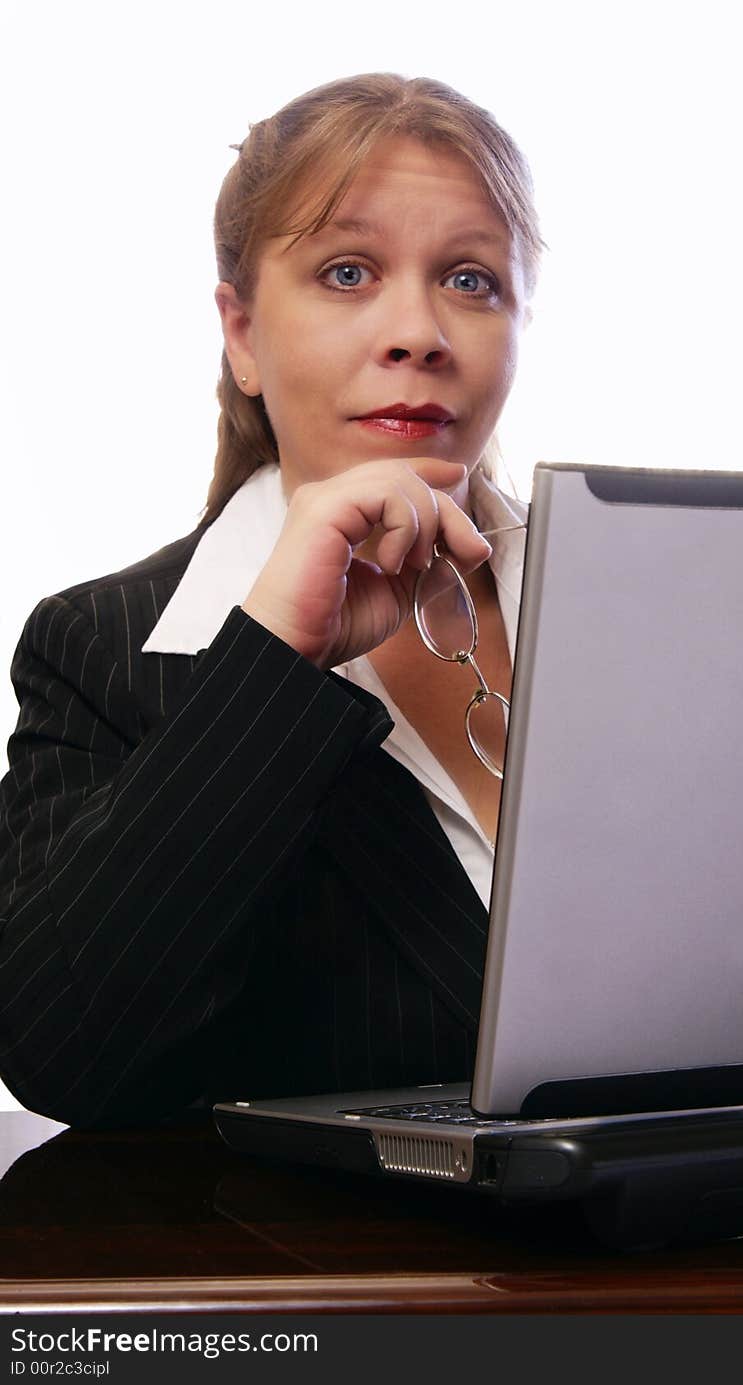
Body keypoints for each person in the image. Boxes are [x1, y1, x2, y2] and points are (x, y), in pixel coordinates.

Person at [0, 73, 544, 1128]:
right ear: (243, 336)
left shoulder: (648, 611)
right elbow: (61, 1052)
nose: (418, 331)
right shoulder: (102, 650)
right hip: (333, 1275)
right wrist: (270, 660)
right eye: (348, 270)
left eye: (471, 279)